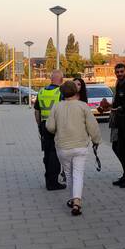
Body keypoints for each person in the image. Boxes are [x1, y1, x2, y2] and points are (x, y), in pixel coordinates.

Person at [46, 80, 101, 216]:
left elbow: (50, 127)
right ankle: (77, 201)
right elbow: (93, 126)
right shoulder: (83, 106)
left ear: (63, 93)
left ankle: (72, 198)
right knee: (78, 174)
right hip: (80, 146)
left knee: (69, 174)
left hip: (63, 147)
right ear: (76, 91)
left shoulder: (56, 107)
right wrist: (96, 140)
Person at [34, 70, 65, 190]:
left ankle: (48, 180)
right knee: (55, 154)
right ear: (61, 80)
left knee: (47, 153)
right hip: (56, 127)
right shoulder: (60, 92)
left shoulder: (41, 91)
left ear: (51, 79)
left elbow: (37, 112)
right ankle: (53, 182)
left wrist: (39, 126)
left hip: (44, 126)